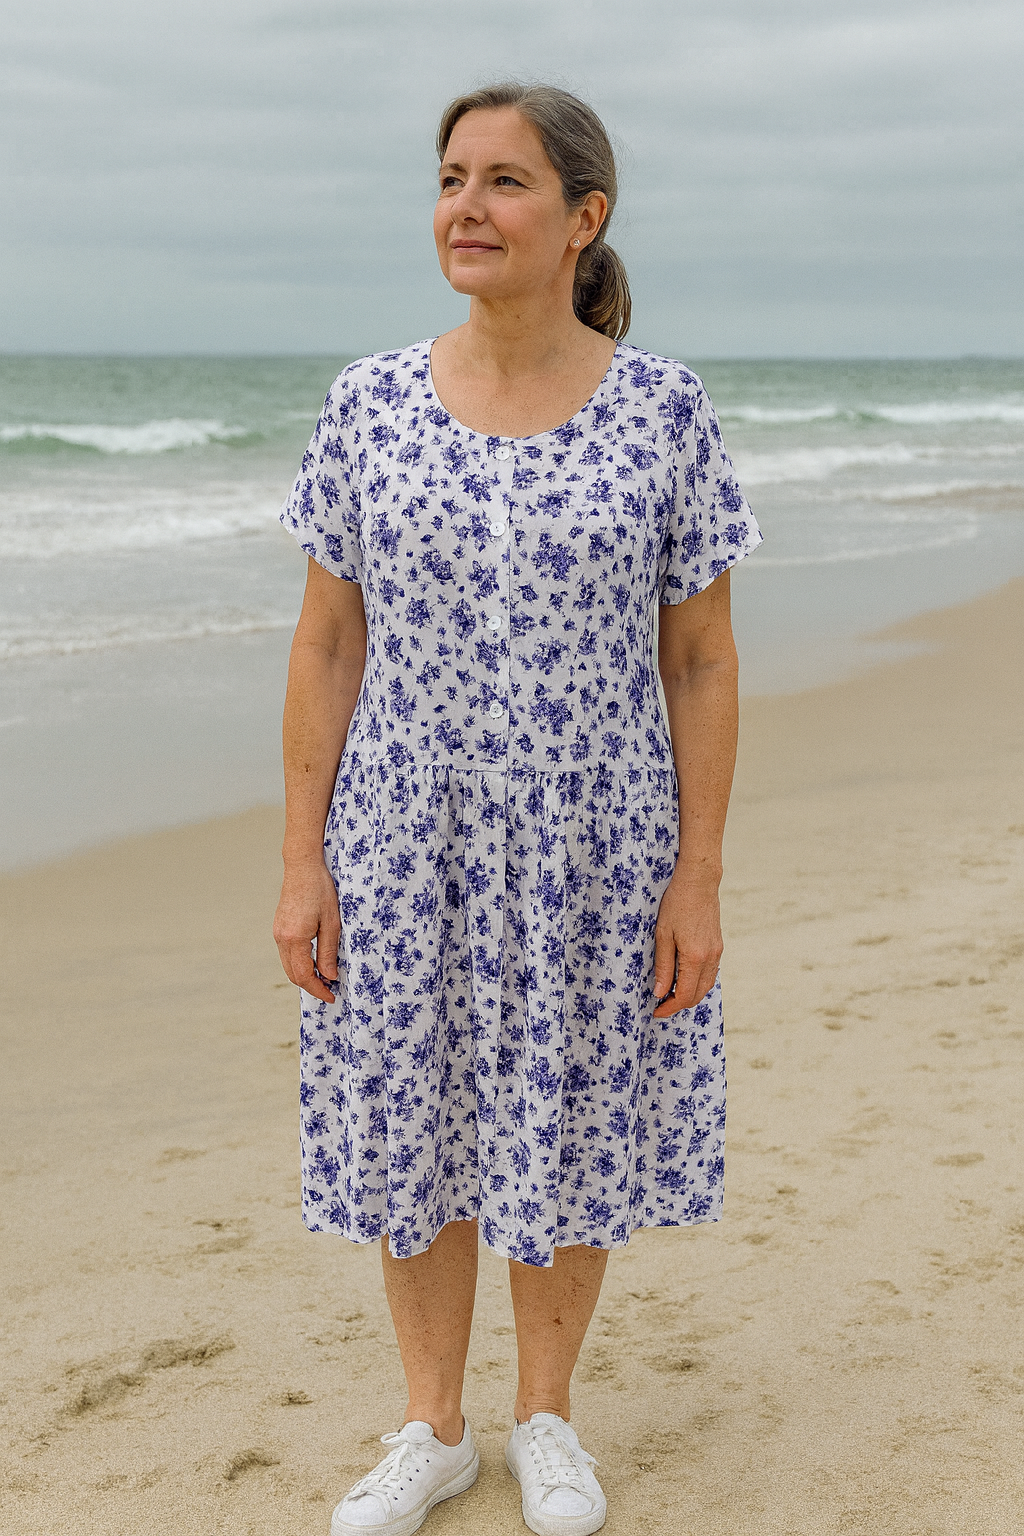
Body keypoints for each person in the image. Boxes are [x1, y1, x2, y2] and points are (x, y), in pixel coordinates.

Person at [273, 81, 762, 1536]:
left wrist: (701, 876)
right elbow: (327, 642)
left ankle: (547, 1418)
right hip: (400, 834)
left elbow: (701, 655)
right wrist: (302, 861)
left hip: (595, 842)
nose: (465, 210)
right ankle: (432, 1426)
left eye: (502, 183)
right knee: (411, 1123)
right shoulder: (367, 401)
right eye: (449, 179)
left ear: (582, 218)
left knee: (569, 1116)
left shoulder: (662, 408)